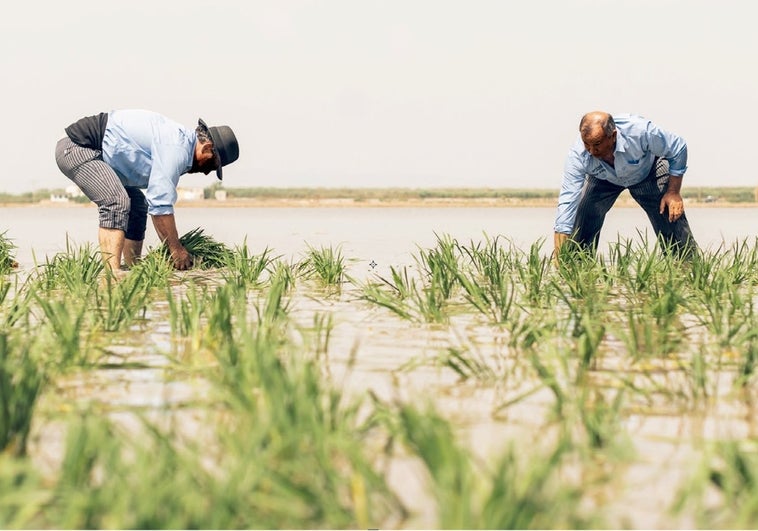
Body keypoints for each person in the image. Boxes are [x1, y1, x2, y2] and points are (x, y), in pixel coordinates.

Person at [55, 109, 239, 272]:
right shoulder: (176, 148)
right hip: (78, 148)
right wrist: (176, 249)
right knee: (116, 201)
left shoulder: (179, 144)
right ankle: (112, 275)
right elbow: (160, 205)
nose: (208, 172)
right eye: (213, 165)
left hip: (103, 158)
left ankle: (133, 270)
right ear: (206, 148)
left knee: (137, 206)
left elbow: (154, 199)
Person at [554, 111, 697, 258]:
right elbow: (567, 201)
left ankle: (688, 267)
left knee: (668, 212)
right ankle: (576, 269)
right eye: (586, 144)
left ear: (613, 136)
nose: (591, 151)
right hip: (604, 179)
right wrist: (559, 252)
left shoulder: (640, 131)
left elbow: (678, 148)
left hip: (647, 173)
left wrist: (673, 192)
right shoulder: (578, 155)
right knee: (584, 212)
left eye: (597, 144)